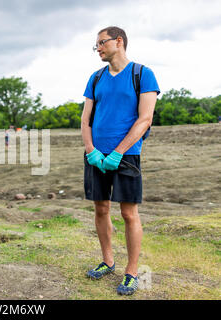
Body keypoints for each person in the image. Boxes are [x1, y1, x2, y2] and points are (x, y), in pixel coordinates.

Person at [81, 26, 160, 295]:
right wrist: (91, 149)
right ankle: (107, 261)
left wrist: (118, 152)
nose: (98, 49)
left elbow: (145, 119)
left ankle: (132, 272)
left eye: (101, 43)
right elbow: (85, 118)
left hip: (127, 157)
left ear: (119, 41)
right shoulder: (95, 78)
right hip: (96, 156)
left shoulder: (142, 74)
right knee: (101, 209)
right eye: (96, 45)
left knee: (128, 213)